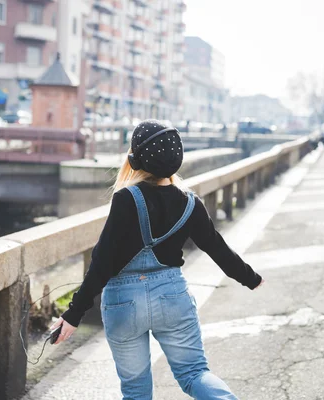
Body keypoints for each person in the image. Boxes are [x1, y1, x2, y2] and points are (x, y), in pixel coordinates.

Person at [50, 120, 264, 400]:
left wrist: (74, 314)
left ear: (134, 159)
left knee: (136, 391)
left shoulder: (126, 199)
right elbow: (217, 248)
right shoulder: (191, 203)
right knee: (194, 373)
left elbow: (101, 261)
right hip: (171, 297)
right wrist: (250, 278)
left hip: (123, 303)